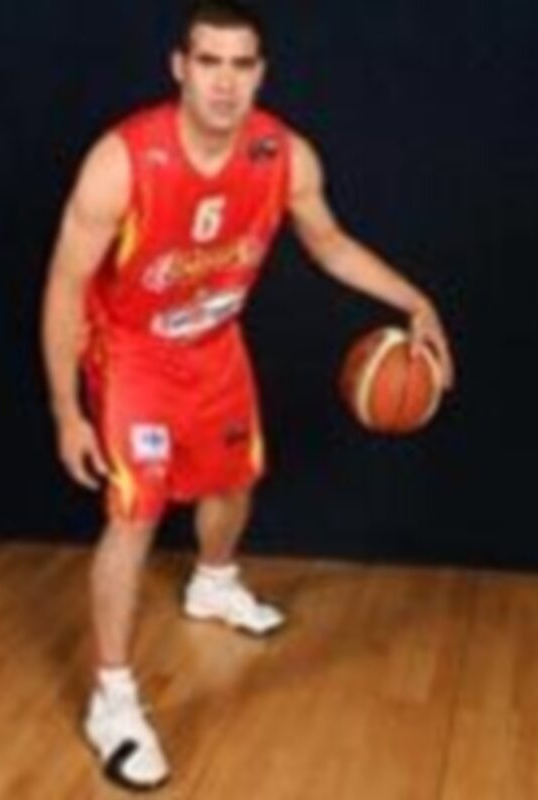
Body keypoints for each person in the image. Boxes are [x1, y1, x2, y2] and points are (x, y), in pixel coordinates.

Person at [42, 0, 455, 790]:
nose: (225, 83)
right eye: (209, 62)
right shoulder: (123, 161)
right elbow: (64, 286)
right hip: (131, 352)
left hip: (213, 345)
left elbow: (329, 244)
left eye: (241, 64)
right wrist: (68, 411)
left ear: (261, 73)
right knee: (135, 513)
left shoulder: (283, 155)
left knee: (234, 481)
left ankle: (213, 581)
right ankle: (113, 700)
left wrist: (415, 301)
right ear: (180, 67)